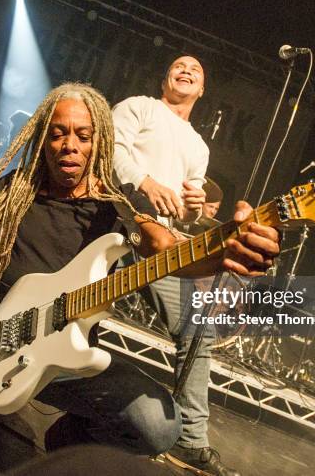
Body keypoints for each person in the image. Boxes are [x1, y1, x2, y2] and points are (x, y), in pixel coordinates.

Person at [0, 84, 279, 459]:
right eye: (58, 134)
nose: (69, 145)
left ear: (99, 140)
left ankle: (69, 441)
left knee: (160, 425)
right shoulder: (20, 186)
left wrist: (225, 250)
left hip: (65, 363)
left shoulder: (116, 205)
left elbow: (163, 246)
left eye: (82, 135)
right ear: (43, 137)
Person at [112, 56, 237, 475]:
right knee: (73, 309)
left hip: (160, 245)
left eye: (196, 70)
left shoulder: (199, 147)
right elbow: (109, 152)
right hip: (114, 226)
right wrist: (145, 183)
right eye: (178, 66)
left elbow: (186, 211)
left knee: (198, 324)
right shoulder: (139, 107)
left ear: (201, 90)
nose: (186, 70)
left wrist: (193, 210)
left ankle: (189, 440)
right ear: (165, 77)